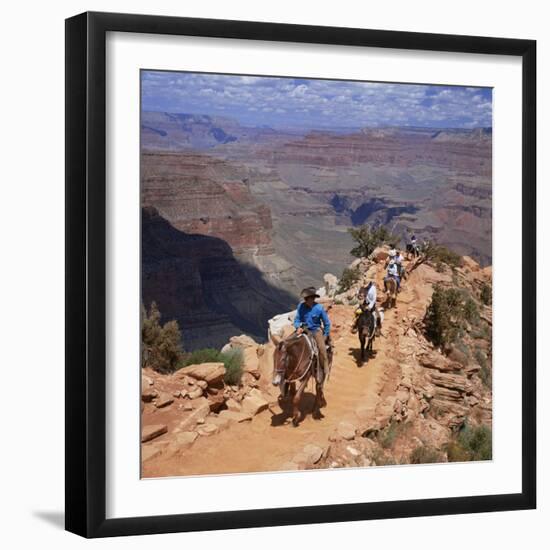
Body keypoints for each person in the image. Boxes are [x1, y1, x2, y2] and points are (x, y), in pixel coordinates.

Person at [293, 287, 331, 383]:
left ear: (313, 298)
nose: (306, 301)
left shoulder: (319, 308)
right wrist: (298, 327)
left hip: (315, 330)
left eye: (308, 298)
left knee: (322, 348)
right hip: (304, 329)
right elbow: (297, 319)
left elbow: (326, 323)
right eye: (305, 299)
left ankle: (324, 366)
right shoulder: (301, 307)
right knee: (290, 343)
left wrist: (325, 334)